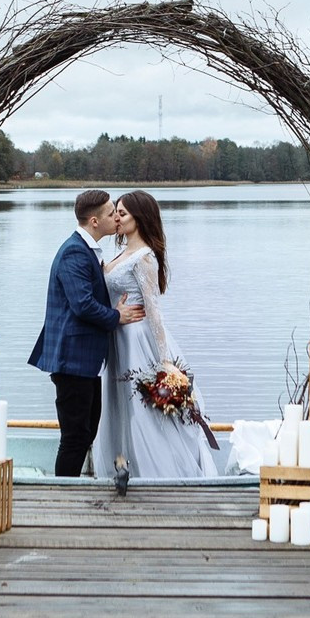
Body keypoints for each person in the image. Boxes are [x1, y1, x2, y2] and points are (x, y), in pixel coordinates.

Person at [93, 190, 220, 479]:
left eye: (122, 213)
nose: (116, 218)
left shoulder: (144, 257)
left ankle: (157, 471)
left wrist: (164, 360)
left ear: (139, 218)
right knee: (117, 406)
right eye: (116, 213)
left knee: (140, 409)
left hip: (136, 340)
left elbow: (154, 310)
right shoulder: (121, 254)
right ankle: (122, 465)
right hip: (117, 338)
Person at [27, 189, 145, 477]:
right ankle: (62, 495)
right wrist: (117, 316)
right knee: (75, 436)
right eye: (111, 213)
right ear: (94, 221)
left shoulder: (86, 250)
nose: (116, 217)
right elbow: (82, 305)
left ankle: (68, 489)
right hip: (72, 361)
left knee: (87, 430)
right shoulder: (74, 252)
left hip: (84, 362)